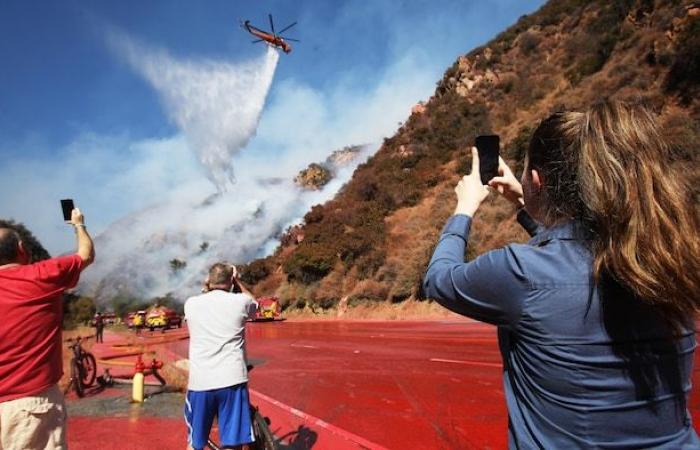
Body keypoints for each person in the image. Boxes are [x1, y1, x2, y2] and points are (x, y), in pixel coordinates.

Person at [423, 100, 700, 448]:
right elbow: (575, 248)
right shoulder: (668, 258)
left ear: (536, 180)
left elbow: (439, 279)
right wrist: (524, 202)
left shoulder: (520, 273)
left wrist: (465, 206)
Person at [0, 208, 95, 449]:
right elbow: (85, 254)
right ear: (22, 248)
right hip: (30, 406)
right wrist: (78, 224)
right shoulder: (41, 276)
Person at [184, 263, 258, 450]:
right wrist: (238, 282)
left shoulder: (191, 304)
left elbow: (205, 297)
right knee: (232, 443)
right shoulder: (241, 301)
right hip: (232, 380)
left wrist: (206, 286)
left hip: (201, 383)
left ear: (209, 281)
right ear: (231, 281)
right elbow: (255, 305)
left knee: (195, 443)